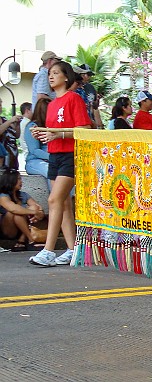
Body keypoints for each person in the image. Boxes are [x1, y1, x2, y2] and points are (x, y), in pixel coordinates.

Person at [29, 61, 92, 267]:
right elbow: (54, 134)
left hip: (70, 154)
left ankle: (48, 250)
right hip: (55, 155)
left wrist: (58, 133)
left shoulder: (73, 99)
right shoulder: (52, 104)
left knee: (54, 199)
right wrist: (43, 133)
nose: (51, 76)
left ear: (66, 77)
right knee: (63, 203)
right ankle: (73, 250)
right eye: (50, 73)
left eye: (56, 73)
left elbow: (84, 129)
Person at [0, 168, 45, 251]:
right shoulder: (2, 196)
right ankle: (30, 239)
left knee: (30, 208)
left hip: (22, 229)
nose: (21, 182)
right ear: (11, 180)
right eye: (18, 179)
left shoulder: (24, 195)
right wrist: (34, 212)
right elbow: (13, 209)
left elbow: (38, 208)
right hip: (8, 230)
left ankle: (23, 240)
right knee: (14, 213)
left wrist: (39, 212)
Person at [24, 99, 50, 182]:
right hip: (34, 161)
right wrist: (51, 157)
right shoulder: (32, 126)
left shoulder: (52, 126)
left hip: (52, 160)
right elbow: (34, 150)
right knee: (51, 172)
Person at [0, 98, 22, 169]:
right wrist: (10, 121)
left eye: (0, 104)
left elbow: (16, 135)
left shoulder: (4, 119)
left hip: (12, 156)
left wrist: (18, 125)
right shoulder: (7, 121)